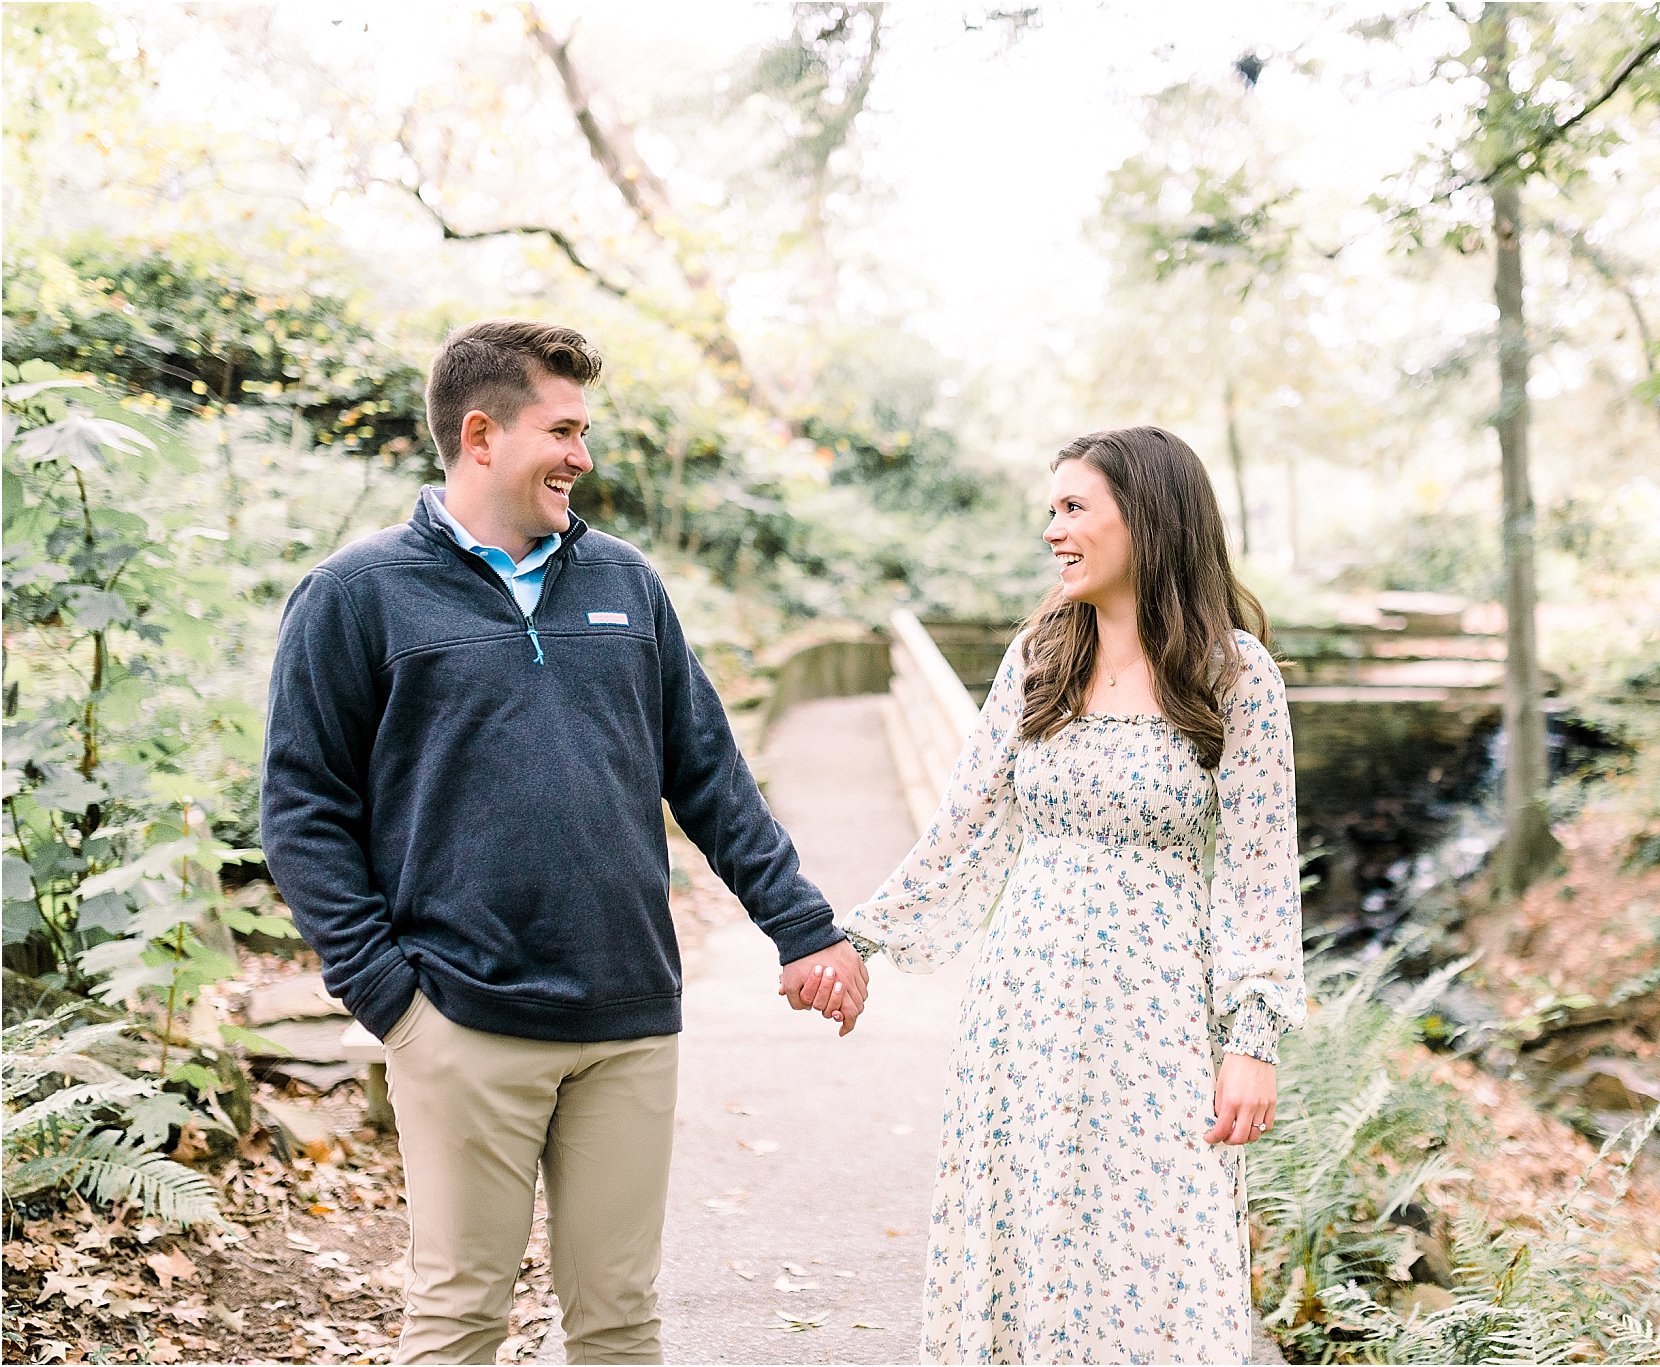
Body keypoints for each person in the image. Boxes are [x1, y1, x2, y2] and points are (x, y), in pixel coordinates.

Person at [260, 318, 865, 1365]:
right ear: (482, 434)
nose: (583, 456)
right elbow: (302, 806)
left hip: (628, 1019)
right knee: (457, 1321)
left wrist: (803, 928)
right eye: (565, 429)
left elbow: (709, 774)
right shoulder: (356, 595)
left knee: (619, 1324)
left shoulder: (625, 584)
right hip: (460, 1017)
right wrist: (386, 992)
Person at [796, 425, 1306, 1363]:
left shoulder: (1236, 677)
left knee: (1159, 1248)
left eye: (1074, 508)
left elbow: (1261, 875)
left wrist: (1253, 1040)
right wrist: (850, 940)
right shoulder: (1040, 658)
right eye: (1051, 508)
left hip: (1159, 1018)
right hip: (1023, 1009)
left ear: (1148, 520)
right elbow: (965, 829)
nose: (1051, 530)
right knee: (1028, 1241)